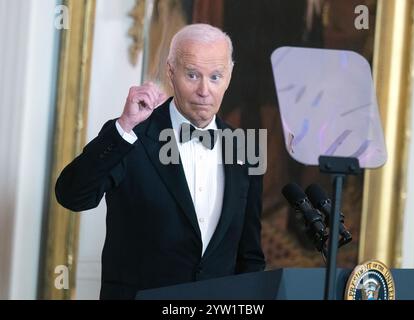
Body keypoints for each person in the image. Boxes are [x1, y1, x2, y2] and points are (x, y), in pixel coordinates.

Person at [55, 23, 265, 300]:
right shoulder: (132, 134)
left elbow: (249, 254)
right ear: (171, 72)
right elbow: (72, 195)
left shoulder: (245, 146)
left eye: (215, 77)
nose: (205, 90)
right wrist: (123, 127)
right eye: (192, 75)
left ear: (229, 76)